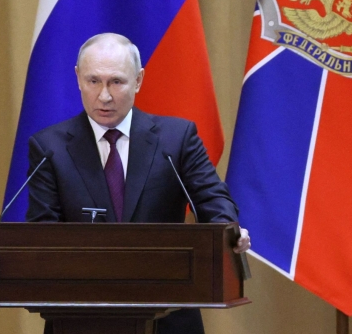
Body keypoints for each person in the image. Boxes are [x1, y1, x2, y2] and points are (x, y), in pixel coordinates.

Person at [26, 33, 249, 334]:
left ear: (139, 80)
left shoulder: (176, 139)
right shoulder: (49, 147)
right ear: (78, 78)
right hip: (81, 321)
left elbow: (212, 198)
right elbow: (43, 232)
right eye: (93, 81)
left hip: (168, 316)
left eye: (116, 82)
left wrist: (227, 232)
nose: (104, 96)